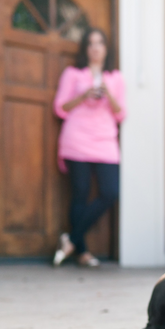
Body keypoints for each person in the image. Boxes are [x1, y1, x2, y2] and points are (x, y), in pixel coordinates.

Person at [52, 28, 126, 267]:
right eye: (91, 43)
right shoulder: (73, 74)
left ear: (106, 48)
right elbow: (60, 108)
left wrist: (108, 92)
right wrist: (84, 94)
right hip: (76, 139)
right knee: (80, 193)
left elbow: (121, 113)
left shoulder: (116, 77)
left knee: (110, 192)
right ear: (86, 48)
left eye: (100, 43)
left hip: (105, 141)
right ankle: (82, 251)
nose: (95, 47)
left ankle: (70, 240)